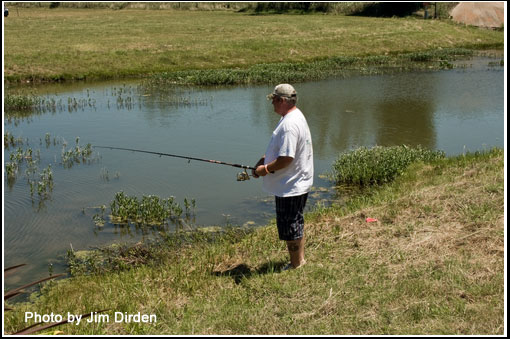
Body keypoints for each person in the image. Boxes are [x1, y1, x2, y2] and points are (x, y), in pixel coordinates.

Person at [253, 84, 314, 270]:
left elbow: (287, 158)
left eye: (273, 99)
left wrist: (266, 169)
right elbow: (283, 149)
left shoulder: (289, 125)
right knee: (295, 221)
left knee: (291, 225)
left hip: (291, 184)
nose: (271, 103)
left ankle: (296, 264)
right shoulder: (294, 116)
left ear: (281, 100)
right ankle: (300, 260)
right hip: (296, 180)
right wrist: (263, 160)